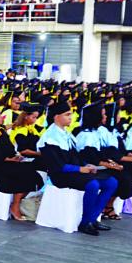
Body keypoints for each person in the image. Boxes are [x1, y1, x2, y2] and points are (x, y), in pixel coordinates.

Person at [38, 100, 117, 236]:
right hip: (61, 175)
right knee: (92, 184)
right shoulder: (50, 137)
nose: (71, 118)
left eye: (71, 114)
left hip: (75, 171)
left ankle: (93, 218)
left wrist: (86, 165)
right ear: (56, 117)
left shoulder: (66, 133)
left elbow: (76, 156)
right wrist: (80, 169)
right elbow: (57, 166)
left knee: (111, 182)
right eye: (67, 115)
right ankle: (85, 223)